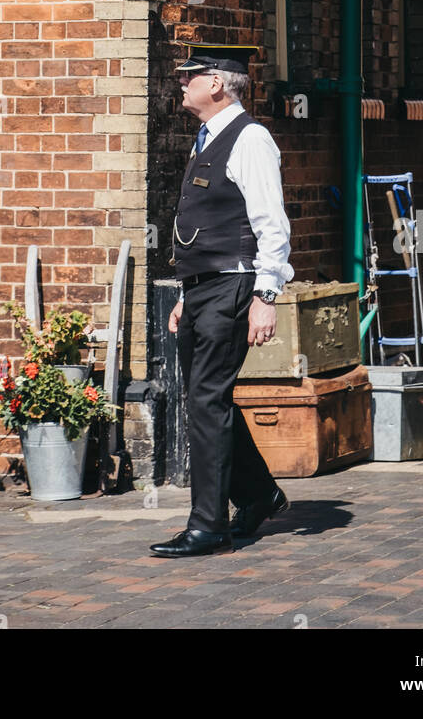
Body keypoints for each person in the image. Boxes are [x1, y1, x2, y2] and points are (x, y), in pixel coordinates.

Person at [150, 45, 293, 558]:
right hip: (203, 289)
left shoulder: (250, 139)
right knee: (207, 400)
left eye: (190, 75)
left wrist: (265, 295)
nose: (180, 82)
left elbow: (271, 225)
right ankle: (260, 494)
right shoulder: (206, 137)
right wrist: (188, 293)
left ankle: (209, 525)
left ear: (217, 83)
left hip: (235, 285)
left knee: (207, 401)